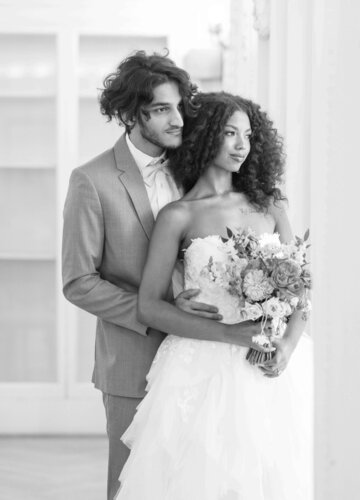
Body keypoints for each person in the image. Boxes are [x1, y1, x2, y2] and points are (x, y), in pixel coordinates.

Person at [62, 52, 263, 500]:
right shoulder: (91, 181)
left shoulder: (191, 166)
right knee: (134, 483)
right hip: (134, 357)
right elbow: (78, 280)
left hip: (207, 361)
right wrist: (159, 311)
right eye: (161, 109)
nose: (177, 119)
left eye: (179, 107)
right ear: (133, 114)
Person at [115, 92, 313, 500]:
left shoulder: (269, 204)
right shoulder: (178, 215)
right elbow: (149, 306)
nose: (242, 145)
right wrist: (233, 334)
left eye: (247, 135)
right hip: (201, 370)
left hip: (272, 371)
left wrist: (288, 346)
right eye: (229, 133)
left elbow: (300, 286)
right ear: (205, 136)